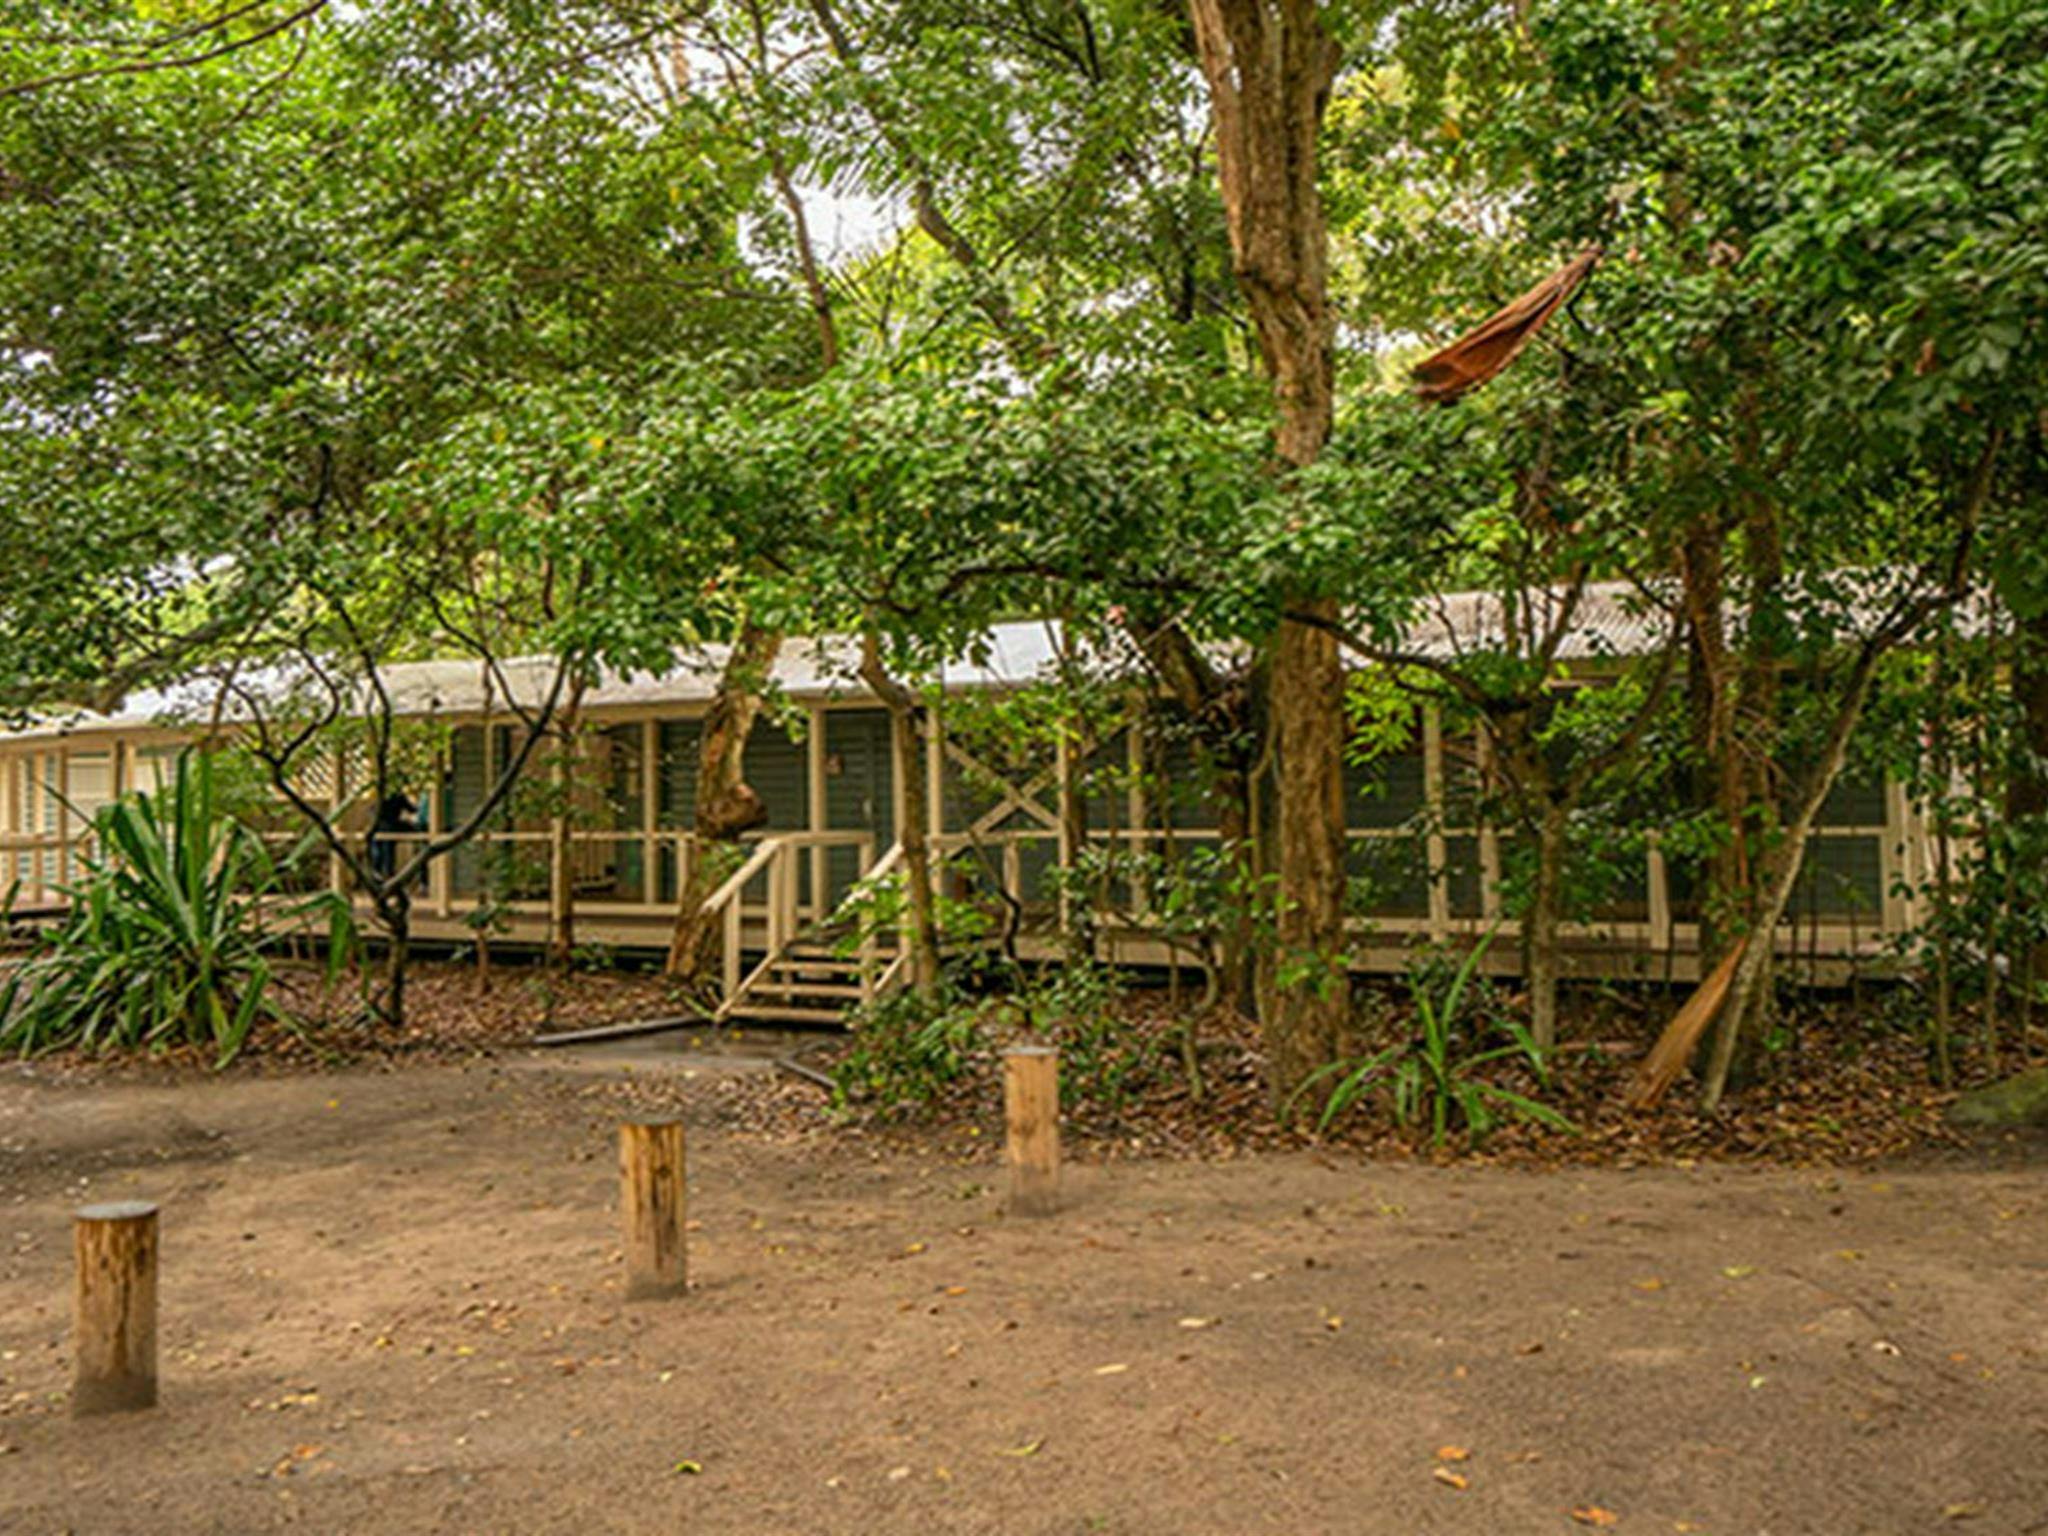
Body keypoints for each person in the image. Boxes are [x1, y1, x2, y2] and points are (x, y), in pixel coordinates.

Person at [368, 789, 422, 884]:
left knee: (380, 850)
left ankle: (378, 873)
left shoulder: (380, 794)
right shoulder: (398, 795)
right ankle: (388, 874)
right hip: (391, 827)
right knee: (388, 851)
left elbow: (371, 810)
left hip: (379, 828)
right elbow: (412, 809)